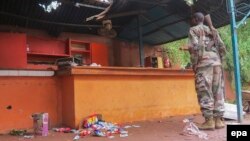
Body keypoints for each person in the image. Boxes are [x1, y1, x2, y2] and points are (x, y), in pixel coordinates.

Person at [186, 12, 227, 130]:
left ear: (195, 19)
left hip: (204, 64)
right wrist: (220, 60)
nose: (190, 21)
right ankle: (218, 120)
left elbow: (194, 48)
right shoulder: (212, 30)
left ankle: (209, 121)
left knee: (205, 91)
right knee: (217, 91)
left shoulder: (193, 30)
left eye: (191, 19)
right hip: (217, 63)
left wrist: (194, 64)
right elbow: (222, 47)